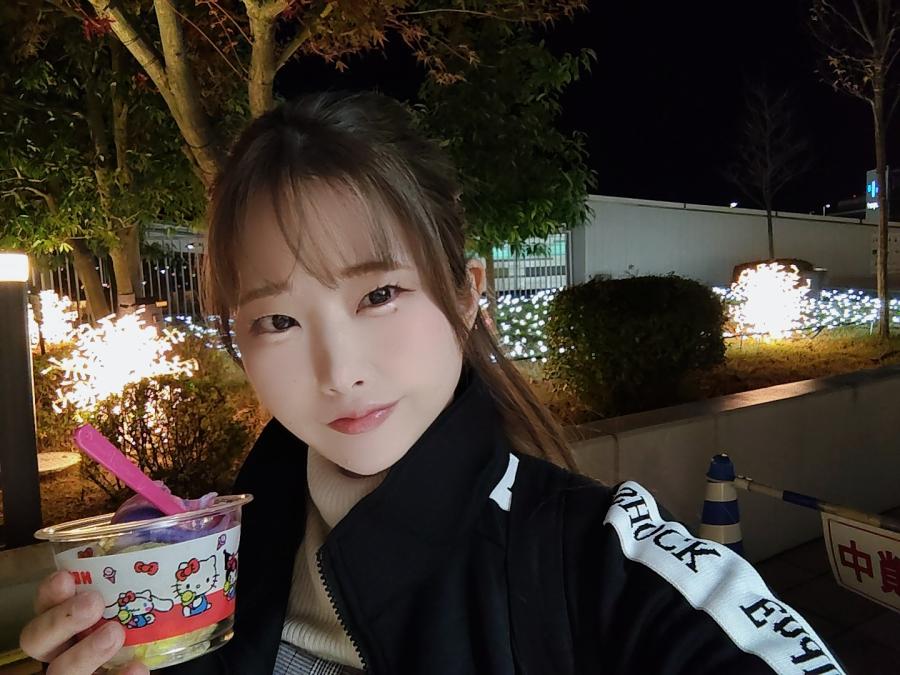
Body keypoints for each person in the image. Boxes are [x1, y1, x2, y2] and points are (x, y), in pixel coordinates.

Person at [19, 91, 845, 675]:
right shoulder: (201, 574)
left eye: (379, 294)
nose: (339, 371)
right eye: (277, 319)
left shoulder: (595, 561)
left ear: (466, 292)